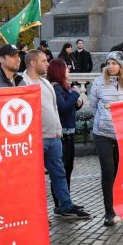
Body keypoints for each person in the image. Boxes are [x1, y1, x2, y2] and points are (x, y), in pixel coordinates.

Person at [20, 50, 91, 221]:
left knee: (59, 173)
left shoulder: (45, 83)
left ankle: (66, 205)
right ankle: (34, 212)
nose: (47, 64)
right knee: (34, 178)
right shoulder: (22, 83)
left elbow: (53, 109)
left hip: (53, 138)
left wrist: (58, 131)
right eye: (44, 61)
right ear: (32, 63)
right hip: (36, 139)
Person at [89, 51, 123, 226]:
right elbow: (94, 105)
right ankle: (109, 212)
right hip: (103, 134)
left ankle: (122, 205)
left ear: (121, 65)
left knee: (120, 171)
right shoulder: (98, 82)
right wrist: (104, 120)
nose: (110, 66)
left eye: (114, 63)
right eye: (108, 63)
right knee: (108, 171)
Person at [48, 59, 83, 197]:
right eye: (66, 68)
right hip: (63, 134)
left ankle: (66, 199)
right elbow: (62, 107)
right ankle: (61, 202)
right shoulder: (56, 87)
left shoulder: (63, 86)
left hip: (69, 132)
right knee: (62, 170)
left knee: (68, 168)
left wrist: (77, 104)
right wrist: (75, 94)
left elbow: (68, 107)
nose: (68, 70)